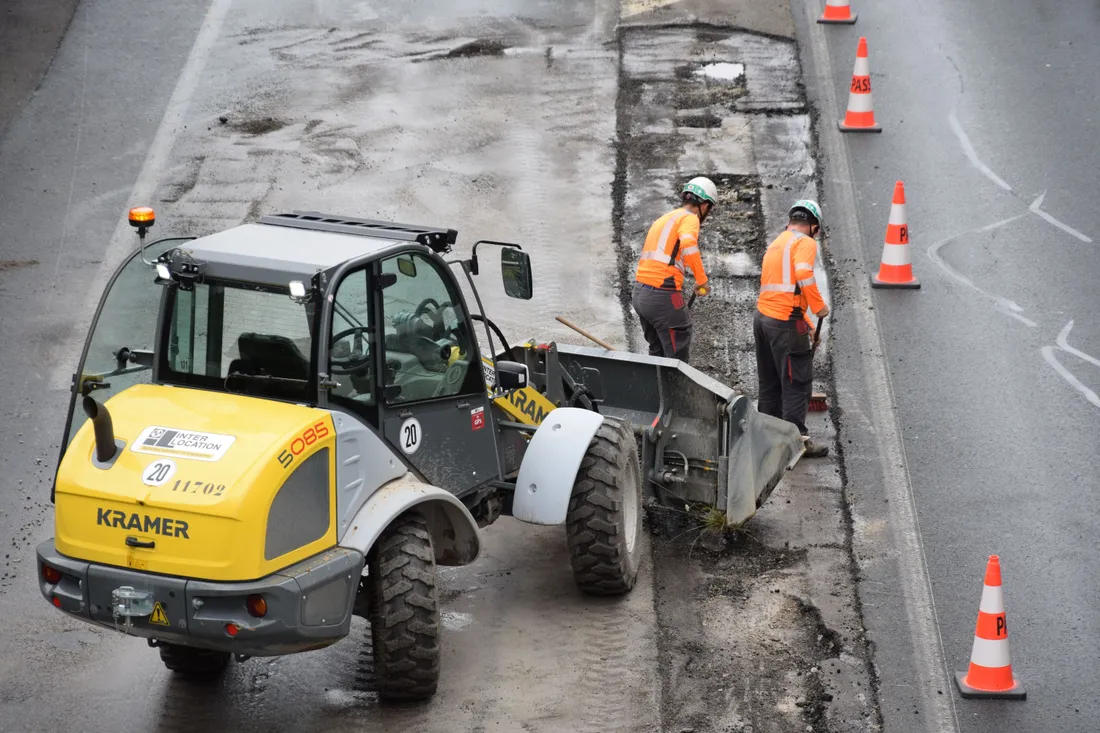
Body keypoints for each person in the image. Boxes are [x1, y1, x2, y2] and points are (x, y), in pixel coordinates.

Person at [753, 199, 830, 458]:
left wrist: (807, 325)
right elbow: (803, 274)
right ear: (814, 226)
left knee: (770, 382)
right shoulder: (805, 242)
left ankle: (765, 438)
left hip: (763, 319)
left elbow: (783, 290)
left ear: (791, 221)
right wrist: (819, 308)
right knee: (797, 383)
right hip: (784, 324)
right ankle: (797, 443)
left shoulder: (778, 242)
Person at [631, 177, 716, 363]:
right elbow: (688, 243)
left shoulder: (666, 218)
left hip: (640, 294)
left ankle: (655, 389)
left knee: (658, 353)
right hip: (661, 295)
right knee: (677, 354)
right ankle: (676, 390)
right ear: (705, 205)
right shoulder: (690, 218)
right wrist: (701, 280)